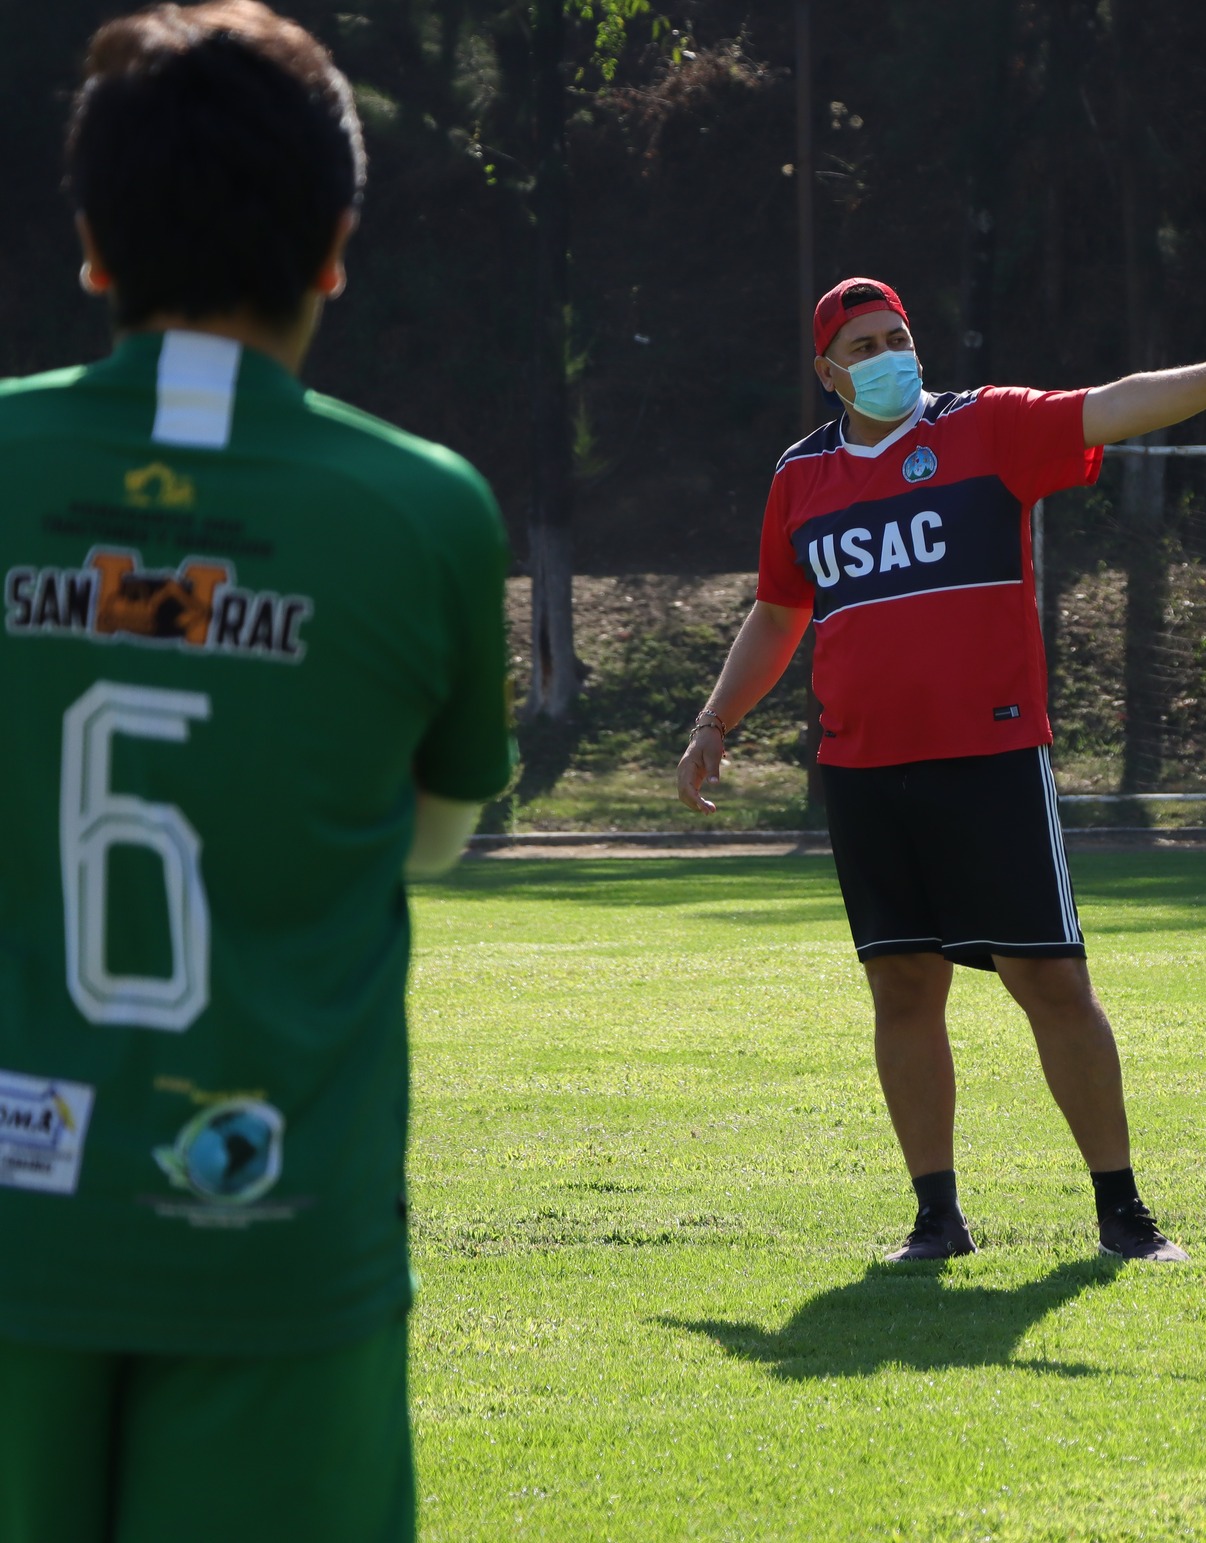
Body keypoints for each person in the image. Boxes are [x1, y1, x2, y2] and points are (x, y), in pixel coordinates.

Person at [0, 6, 514, 1539]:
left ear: (92, 244)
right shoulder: (424, 511)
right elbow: (431, 839)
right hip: (272, 1215)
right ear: (336, 245)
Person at [676, 277, 1206, 1262]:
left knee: (1047, 980)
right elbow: (778, 610)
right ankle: (935, 1218)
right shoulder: (799, 477)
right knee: (901, 987)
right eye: (864, 345)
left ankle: (1122, 1215)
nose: (889, 353)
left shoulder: (984, 428)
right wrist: (715, 719)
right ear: (827, 372)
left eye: (898, 335)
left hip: (988, 756)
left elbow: (1116, 402)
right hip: (861, 770)